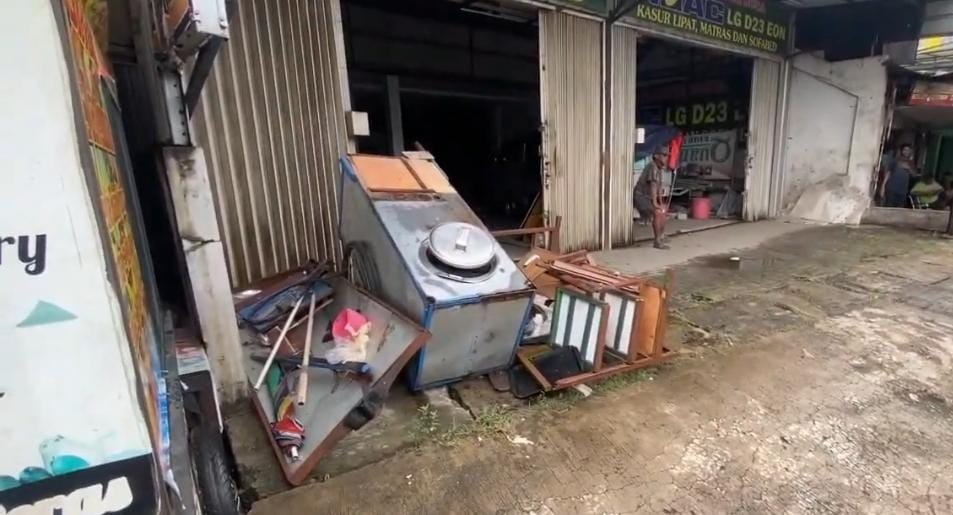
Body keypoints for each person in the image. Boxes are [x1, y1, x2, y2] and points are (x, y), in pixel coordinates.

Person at [634, 146, 670, 249]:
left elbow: (659, 187)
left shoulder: (659, 168)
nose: (666, 158)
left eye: (667, 155)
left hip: (647, 197)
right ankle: (657, 241)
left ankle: (661, 236)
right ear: (656, 156)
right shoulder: (652, 166)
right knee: (657, 212)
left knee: (663, 210)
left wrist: (661, 204)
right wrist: (655, 203)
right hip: (640, 196)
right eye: (664, 155)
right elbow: (653, 186)